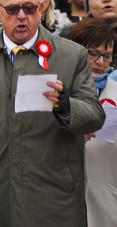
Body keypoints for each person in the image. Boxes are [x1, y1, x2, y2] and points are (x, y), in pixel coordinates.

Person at [0, 0, 104, 227]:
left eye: (29, 8)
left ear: (41, 9)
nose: (21, 16)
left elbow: (95, 115)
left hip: (55, 195)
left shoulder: (71, 54)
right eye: (12, 9)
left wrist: (67, 107)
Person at [64, 17, 117, 226]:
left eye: (106, 55)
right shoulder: (60, 93)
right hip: (66, 199)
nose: (100, 62)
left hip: (106, 201)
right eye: (92, 53)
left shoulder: (113, 93)